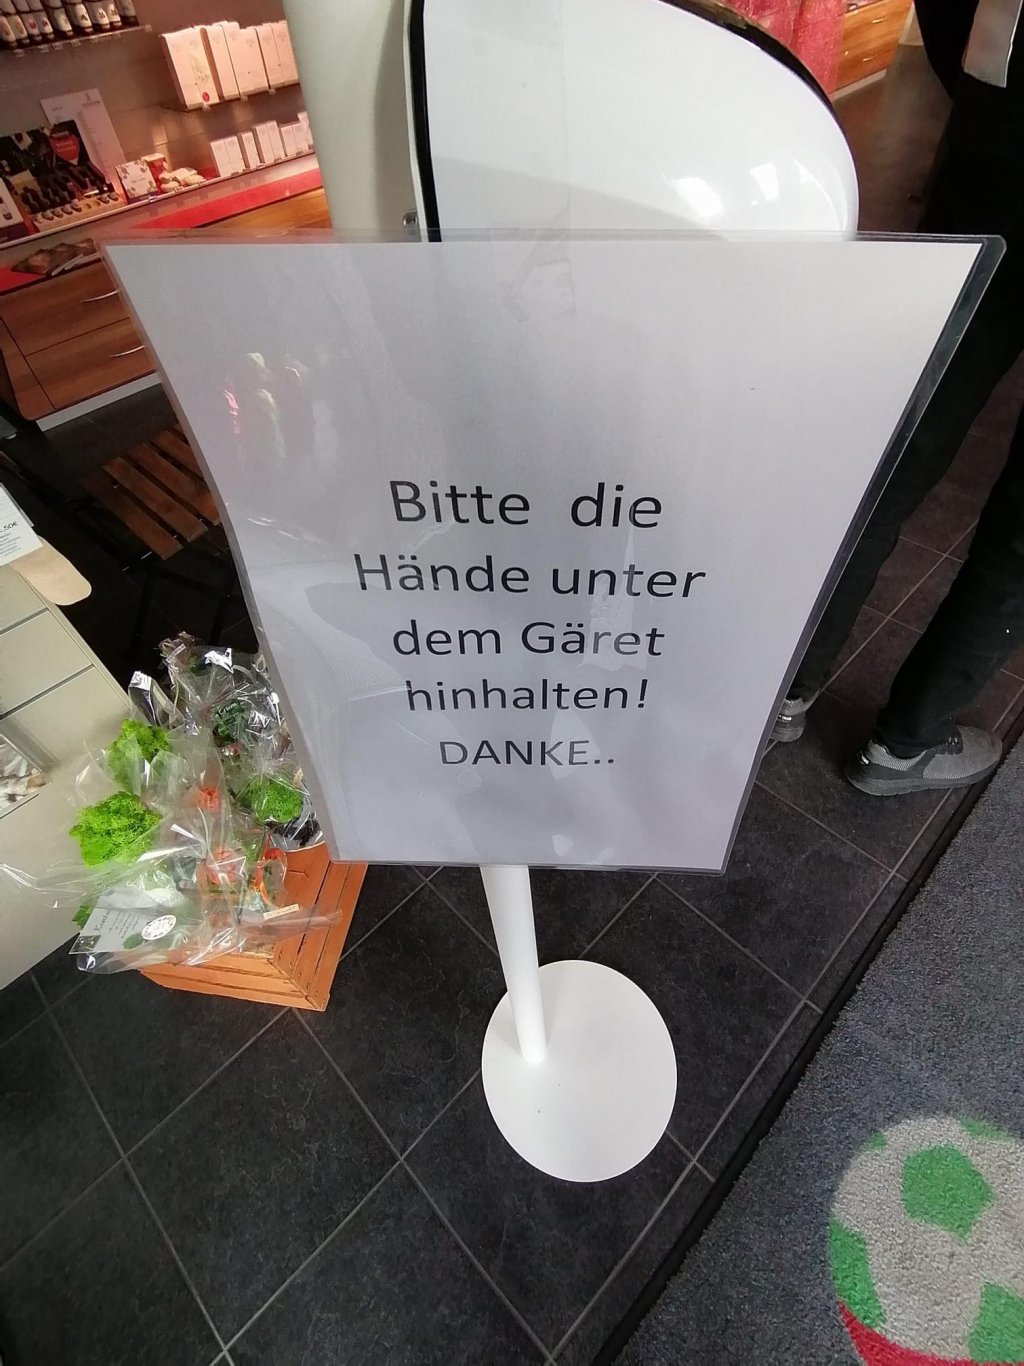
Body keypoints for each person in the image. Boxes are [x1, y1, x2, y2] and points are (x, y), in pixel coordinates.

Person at [774, 0, 1024, 796]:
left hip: (1007, 129)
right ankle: (903, 745)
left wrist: (983, 87)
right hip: (998, 119)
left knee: (902, 446)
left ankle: (781, 689)